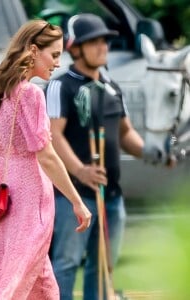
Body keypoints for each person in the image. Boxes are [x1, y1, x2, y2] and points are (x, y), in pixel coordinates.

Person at [0, 19, 91, 300]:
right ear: (32, 51)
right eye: (53, 55)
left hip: (2, 197)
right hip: (30, 197)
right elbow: (46, 156)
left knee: (40, 285)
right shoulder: (31, 94)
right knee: (17, 283)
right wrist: (78, 202)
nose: (57, 63)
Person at [45, 14, 162, 300]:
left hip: (111, 194)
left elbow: (126, 133)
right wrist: (80, 170)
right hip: (72, 195)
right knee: (66, 263)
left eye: (104, 41)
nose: (102, 47)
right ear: (75, 48)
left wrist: (152, 152)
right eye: (93, 42)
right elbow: (53, 136)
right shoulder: (62, 86)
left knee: (104, 267)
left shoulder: (112, 87)